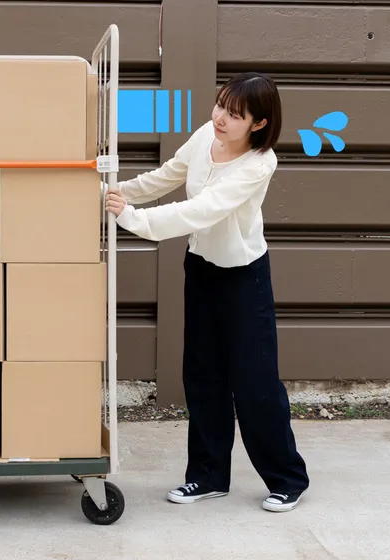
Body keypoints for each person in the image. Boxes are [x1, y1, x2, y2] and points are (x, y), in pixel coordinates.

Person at [105, 72, 310, 513]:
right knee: (202, 376)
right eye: (220, 105)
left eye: (234, 115)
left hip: (244, 277)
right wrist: (115, 192)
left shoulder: (258, 164)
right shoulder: (204, 136)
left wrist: (133, 220)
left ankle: (287, 477)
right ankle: (207, 475)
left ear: (257, 123)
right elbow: (167, 176)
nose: (220, 118)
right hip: (201, 269)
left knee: (253, 383)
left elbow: (201, 210)